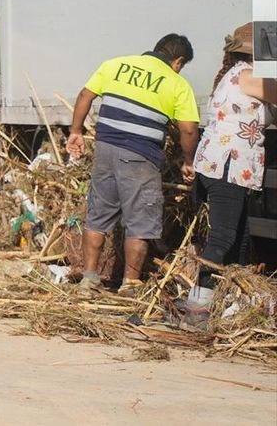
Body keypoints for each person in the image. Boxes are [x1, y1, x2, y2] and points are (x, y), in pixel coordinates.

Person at [66, 33, 201, 293]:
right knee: (140, 221)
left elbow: (85, 95)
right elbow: (188, 129)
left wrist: (76, 131)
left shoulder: (115, 64)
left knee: (98, 216)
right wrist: (188, 160)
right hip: (141, 155)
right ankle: (129, 283)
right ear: (178, 61)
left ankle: (90, 279)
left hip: (105, 150)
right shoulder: (177, 83)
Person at [181, 24, 275, 315]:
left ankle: (232, 303)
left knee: (240, 238)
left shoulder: (237, 75)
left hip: (227, 167)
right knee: (223, 237)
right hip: (228, 166)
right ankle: (197, 308)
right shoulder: (249, 76)